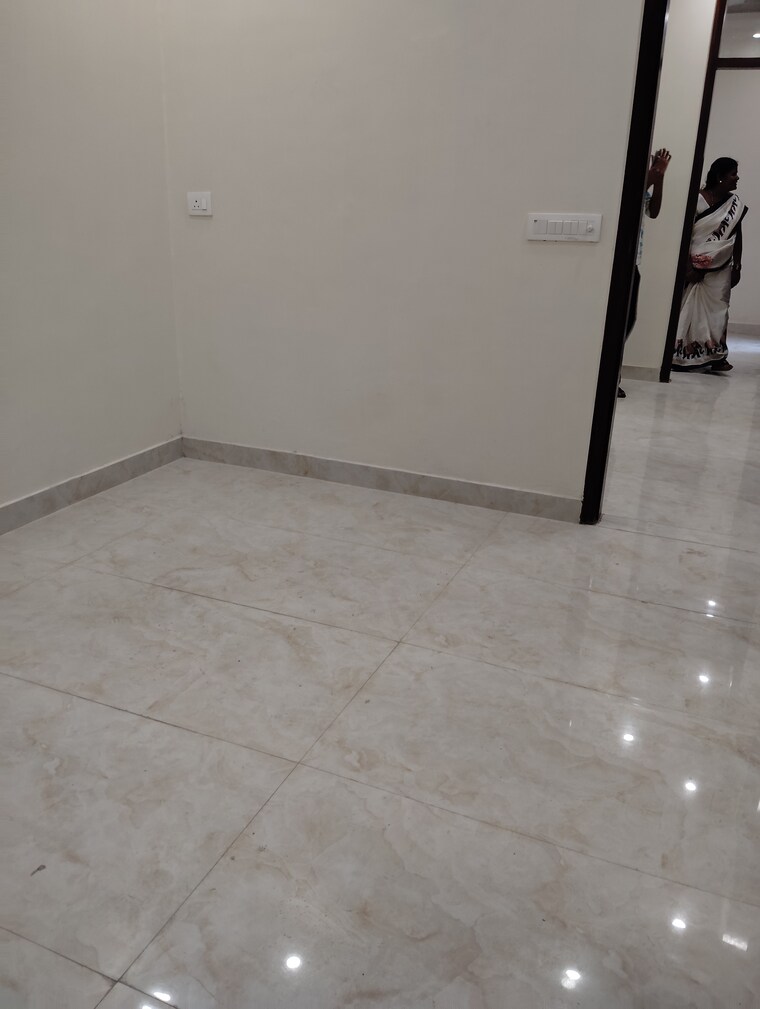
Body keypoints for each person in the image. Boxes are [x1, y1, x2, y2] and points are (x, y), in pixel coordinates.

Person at [672, 157, 748, 372]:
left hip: (721, 266)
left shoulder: (734, 204)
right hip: (693, 267)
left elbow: (737, 235)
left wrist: (737, 266)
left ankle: (716, 355)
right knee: (688, 308)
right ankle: (683, 354)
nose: (737, 178)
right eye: (733, 174)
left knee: (719, 310)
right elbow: (685, 235)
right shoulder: (696, 199)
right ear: (720, 177)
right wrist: (688, 266)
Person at [619, 148, 671, 398]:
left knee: (628, 319)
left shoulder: (645, 181)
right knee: (620, 320)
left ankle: (611, 373)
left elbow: (654, 211)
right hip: (618, 262)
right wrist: (652, 176)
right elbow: (627, 202)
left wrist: (659, 178)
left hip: (633, 262)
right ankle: (609, 375)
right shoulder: (625, 179)